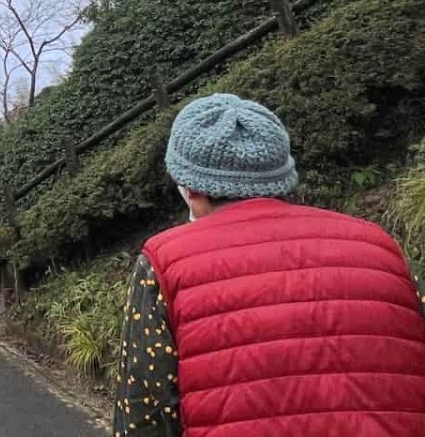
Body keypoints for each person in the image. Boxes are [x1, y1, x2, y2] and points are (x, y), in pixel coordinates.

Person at [113, 93, 425, 436]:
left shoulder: (163, 262)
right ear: (280, 172)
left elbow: (145, 409)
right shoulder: (379, 245)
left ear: (189, 186)